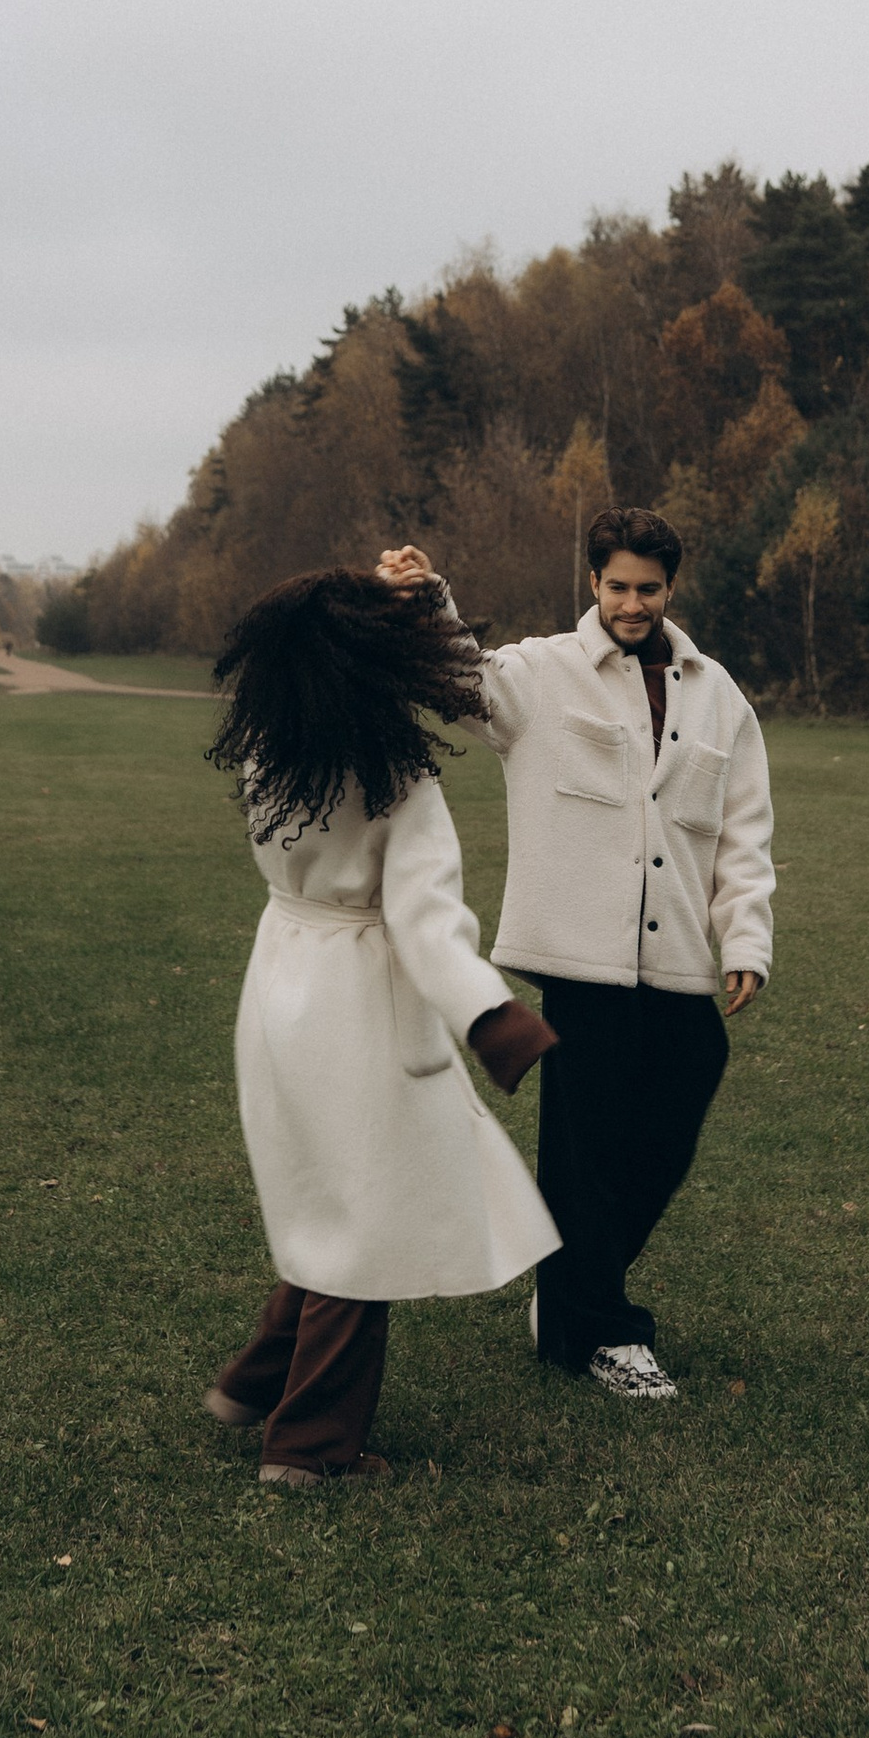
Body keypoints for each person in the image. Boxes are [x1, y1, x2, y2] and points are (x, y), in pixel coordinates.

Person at [376, 508, 772, 1402]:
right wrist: (430, 595)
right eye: (617, 586)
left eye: (649, 588)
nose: (633, 604)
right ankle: (607, 1333)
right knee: (586, 1142)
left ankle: (568, 1289)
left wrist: (744, 934)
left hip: (674, 957)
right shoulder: (540, 672)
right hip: (578, 955)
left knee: (690, 1072)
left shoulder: (719, 694)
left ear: (672, 588)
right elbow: (463, 681)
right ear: (593, 583)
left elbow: (745, 830)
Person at [202, 567, 559, 1487]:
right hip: (362, 1004)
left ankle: (255, 1383)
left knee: (332, 1196)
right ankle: (312, 1447)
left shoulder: (273, 750)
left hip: (283, 982)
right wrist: (497, 1019)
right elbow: (426, 922)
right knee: (370, 1221)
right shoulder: (395, 778)